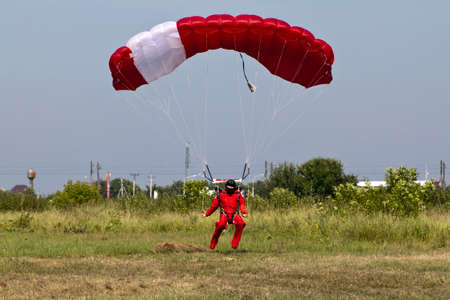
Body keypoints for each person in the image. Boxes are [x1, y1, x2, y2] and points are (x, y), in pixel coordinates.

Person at [202, 179, 248, 249]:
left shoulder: (238, 194)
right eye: (229, 187)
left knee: (241, 223)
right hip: (224, 214)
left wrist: (244, 212)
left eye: (231, 187)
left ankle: (235, 243)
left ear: (234, 187)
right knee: (220, 225)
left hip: (235, 214)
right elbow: (213, 206)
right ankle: (213, 243)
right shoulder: (221, 195)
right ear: (226, 186)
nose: (230, 188)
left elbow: (242, 204)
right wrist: (207, 214)